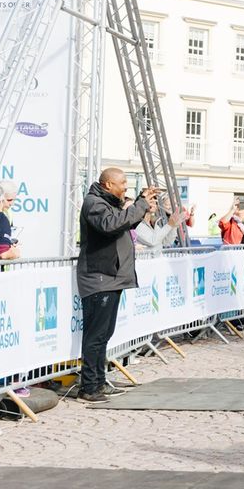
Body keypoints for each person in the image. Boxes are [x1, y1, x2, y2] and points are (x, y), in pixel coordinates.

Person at [76, 168, 156, 403]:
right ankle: (89, 387)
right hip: (100, 277)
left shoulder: (108, 202)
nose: (125, 187)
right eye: (123, 183)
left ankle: (99, 383)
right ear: (109, 184)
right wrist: (139, 205)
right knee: (96, 335)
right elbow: (111, 225)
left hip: (111, 277)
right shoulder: (94, 203)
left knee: (104, 334)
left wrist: (141, 206)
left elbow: (124, 223)